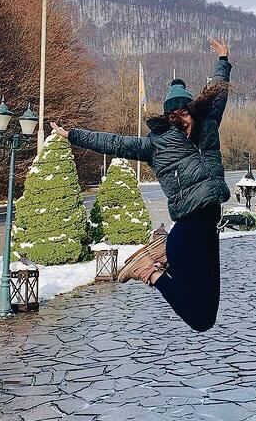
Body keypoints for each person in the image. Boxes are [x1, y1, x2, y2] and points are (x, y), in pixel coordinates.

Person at [51, 39, 231, 333]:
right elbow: (113, 143)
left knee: (207, 316)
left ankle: (161, 250)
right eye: (173, 115)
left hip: (208, 229)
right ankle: (149, 270)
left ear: (192, 110)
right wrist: (72, 135)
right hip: (188, 229)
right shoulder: (155, 145)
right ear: (167, 117)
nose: (180, 120)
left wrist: (223, 59)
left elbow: (219, 93)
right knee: (199, 320)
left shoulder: (208, 128)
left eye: (184, 112)